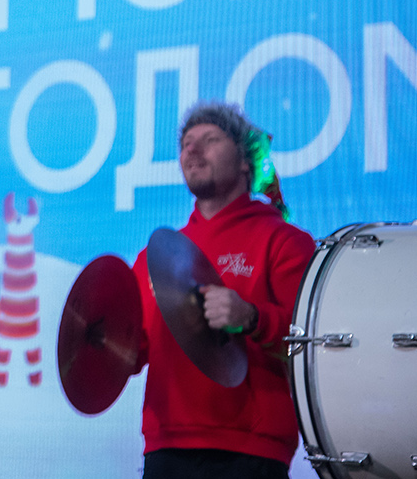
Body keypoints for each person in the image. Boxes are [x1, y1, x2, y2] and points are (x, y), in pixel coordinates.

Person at [131, 102, 315, 479]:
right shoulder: (152, 258)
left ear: (246, 162)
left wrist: (252, 317)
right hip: (166, 447)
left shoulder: (285, 241)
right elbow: (131, 352)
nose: (192, 149)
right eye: (186, 143)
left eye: (210, 139)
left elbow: (310, 343)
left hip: (250, 450)